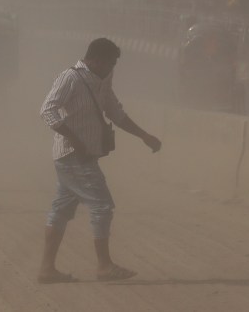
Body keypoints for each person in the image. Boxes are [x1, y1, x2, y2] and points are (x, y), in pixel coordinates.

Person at [37, 37, 162, 283]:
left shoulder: (103, 79)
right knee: (102, 206)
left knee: (60, 210)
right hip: (73, 156)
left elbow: (115, 111)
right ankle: (104, 266)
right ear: (95, 60)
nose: (112, 68)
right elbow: (47, 111)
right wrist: (75, 139)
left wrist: (144, 136)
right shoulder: (69, 78)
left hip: (83, 156)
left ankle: (46, 269)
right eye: (109, 63)